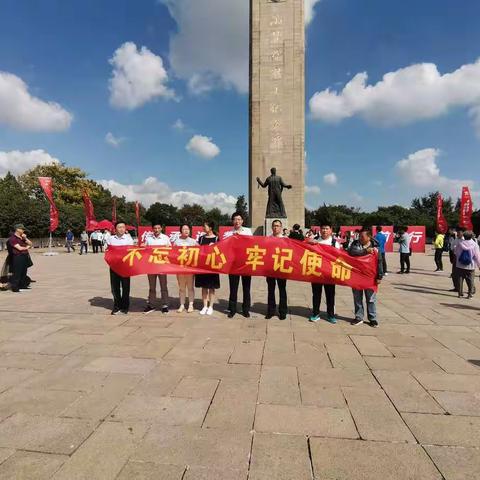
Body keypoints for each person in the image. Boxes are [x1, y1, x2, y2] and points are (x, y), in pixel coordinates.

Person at [348, 228, 383, 327]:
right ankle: (359, 317)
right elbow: (351, 252)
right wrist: (365, 251)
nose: (360, 238)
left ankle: (372, 318)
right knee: (357, 298)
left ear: (369, 237)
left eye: (362, 237)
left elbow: (380, 262)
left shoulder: (375, 247)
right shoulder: (355, 244)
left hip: (370, 277)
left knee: (371, 299)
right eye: (359, 236)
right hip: (357, 276)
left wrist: (379, 276)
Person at [307, 222, 340, 324]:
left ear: (331, 230)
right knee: (316, 294)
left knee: (330, 295)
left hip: (329, 274)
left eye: (326, 228)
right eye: (323, 228)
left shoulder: (335, 243)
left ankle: (330, 315)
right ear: (320, 230)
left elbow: (338, 258)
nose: (324, 230)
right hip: (316, 272)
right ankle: (315, 313)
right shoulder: (315, 241)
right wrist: (309, 243)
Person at [224, 212, 253, 318]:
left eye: (239, 219)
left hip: (246, 263)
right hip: (233, 264)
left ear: (242, 221)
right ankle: (232, 309)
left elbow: (252, 244)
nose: (237, 221)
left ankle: (246, 309)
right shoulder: (228, 234)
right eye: (235, 219)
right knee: (233, 287)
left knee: (246, 287)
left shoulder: (248, 231)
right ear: (232, 221)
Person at [106, 221, 134, 314]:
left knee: (126, 287)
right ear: (115, 229)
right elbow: (107, 250)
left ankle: (125, 307)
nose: (122, 229)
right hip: (114, 266)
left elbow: (131, 251)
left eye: (123, 227)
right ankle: (117, 306)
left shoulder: (129, 239)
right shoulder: (111, 239)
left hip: (125, 266)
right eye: (119, 227)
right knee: (115, 287)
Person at [143, 223, 171, 314]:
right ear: (152, 229)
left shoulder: (165, 238)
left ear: (161, 228)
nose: (156, 230)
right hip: (151, 266)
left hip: (162, 266)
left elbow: (171, 250)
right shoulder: (149, 238)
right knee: (152, 287)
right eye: (155, 228)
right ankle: (151, 304)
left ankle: (165, 305)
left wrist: (167, 248)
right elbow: (144, 251)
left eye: (158, 228)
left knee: (163, 286)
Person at [196, 222, 220, 315]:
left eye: (204, 226)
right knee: (204, 287)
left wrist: (213, 248)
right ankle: (205, 306)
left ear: (210, 228)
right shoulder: (201, 238)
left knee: (212, 287)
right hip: (202, 266)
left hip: (212, 266)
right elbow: (197, 250)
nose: (203, 228)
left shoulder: (217, 238)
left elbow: (220, 251)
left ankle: (211, 306)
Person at [266, 219, 288, 320]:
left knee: (282, 290)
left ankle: (283, 312)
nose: (276, 227)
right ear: (272, 227)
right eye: (274, 226)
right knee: (271, 290)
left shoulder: (285, 239)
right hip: (270, 268)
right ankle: (271, 311)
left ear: (281, 227)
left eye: (278, 226)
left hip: (281, 267)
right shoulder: (267, 239)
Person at [173, 225, 197, 313]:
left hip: (190, 269)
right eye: (184, 229)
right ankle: (182, 304)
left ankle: (191, 304)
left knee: (190, 287)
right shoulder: (177, 242)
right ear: (180, 231)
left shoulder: (193, 242)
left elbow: (201, 252)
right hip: (180, 268)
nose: (186, 231)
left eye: (187, 229)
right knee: (181, 287)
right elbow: (172, 254)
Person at [8, 224, 34, 293]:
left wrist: (26, 238)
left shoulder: (22, 238)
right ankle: (15, 287)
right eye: (22, 229)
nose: (23, 230)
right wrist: (27, 247)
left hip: (24, 256)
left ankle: (22, 285)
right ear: (17, 229)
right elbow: (19, 248)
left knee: (23, 272)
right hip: (18, 257)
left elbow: (31, 244)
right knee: (17, 272)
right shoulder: (12, 238)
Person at [454, 231, 480, 299]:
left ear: (464, 236)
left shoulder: (460, 244)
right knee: (470, 280)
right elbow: (477, 256)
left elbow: (455, 252)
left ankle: (460, 293)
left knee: (460, 279)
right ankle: (470, 294)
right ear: (471, 236)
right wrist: (479, 265)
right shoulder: (474, 245)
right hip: (470, 265)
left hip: (460, 265)